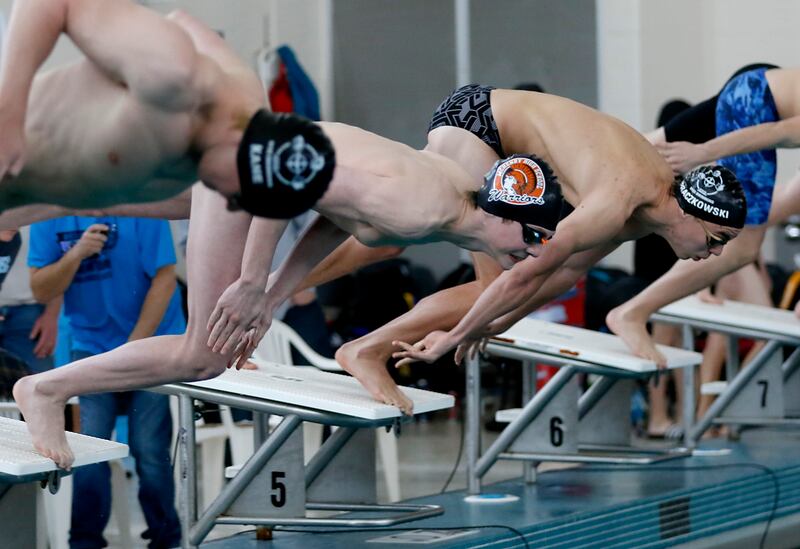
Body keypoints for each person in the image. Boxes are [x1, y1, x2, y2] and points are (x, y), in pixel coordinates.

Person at [6, 0, 567, 467]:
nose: (532, 255)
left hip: (243, 156)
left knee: (92, 195)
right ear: (502, 214)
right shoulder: (419, 208)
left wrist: (272, 293)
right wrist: (252, 281)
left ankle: (14, 212)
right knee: (202, 354)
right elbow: (285, 164)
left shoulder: (445, 204)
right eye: (534, 239)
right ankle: (47, 387)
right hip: (253, 163)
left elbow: (333, 215)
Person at [272, 86, 747, 399]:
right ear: (689, 211)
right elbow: (529, 273)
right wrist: (461, 334)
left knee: (393, 238)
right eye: (716, 237)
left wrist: (489, 328)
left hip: (485, 119)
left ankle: (277, 288)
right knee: (490, 282)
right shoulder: (618, 200)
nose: (717, 252)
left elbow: (561, 276)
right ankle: (365, 348)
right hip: (487, 130)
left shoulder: (642, 213)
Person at [608, 65, 800, 364]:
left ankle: (566, 176)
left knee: (646, 148)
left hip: (758, 87)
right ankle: (632, 313)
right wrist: (704, 152)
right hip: (756, 104)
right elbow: (778, 133)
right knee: (743, 248)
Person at [29, 216, 184, 548]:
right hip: (91, 345)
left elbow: (165, 278)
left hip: (151, 342)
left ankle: (166, 538)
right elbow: (41, 288)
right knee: (87, 450)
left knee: (150, 449)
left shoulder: (142, 206)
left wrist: (132, 350)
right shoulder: (48, 215)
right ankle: (84, 541)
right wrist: (76, 254)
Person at [0, 227, 60, 375]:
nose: (17, 224)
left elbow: (57, 259)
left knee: (41, 385)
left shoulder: (13, 238)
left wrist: (52, 314)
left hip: (30, 313)